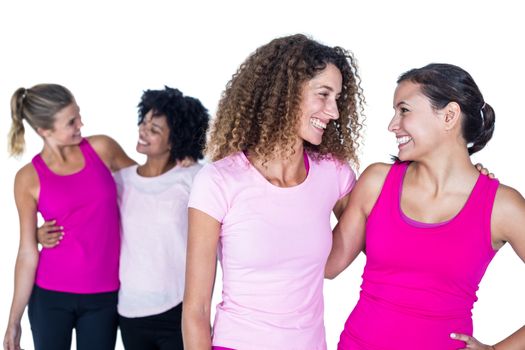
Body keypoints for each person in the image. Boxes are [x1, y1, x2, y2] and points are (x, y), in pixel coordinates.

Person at [182, 34, 365, 350]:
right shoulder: (218, 181)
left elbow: (349, 259)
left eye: (337, 98)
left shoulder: (333, 174)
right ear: (285, 94)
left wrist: (459, 175)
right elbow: (196, 310)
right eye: (323, 95)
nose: (333, 111)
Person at [326, 63, 525, 349]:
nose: (392, 125)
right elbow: (329, 266)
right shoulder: (377, 182)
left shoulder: (501, 206)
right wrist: (313, 179)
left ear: (449, 116)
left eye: (404, 110)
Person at [36, 86, 210, 350]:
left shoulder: (194, 177)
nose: (143, 130)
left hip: (178, 308)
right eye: (144, 122)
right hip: (130, 311)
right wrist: (38, 234)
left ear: (176, 140)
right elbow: (84, 213)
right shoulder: (120, 181)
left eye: (154, 130)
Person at [3, 84, 135, 350]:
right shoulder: (27, 178)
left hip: (103, 295)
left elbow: (149, 187)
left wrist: (182, 160)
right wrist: (13, 320)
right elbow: (27, 253)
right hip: (49, 298)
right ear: (45, 131)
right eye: (71, 122)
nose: (81, 124)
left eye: (79, 115)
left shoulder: (101, 148)